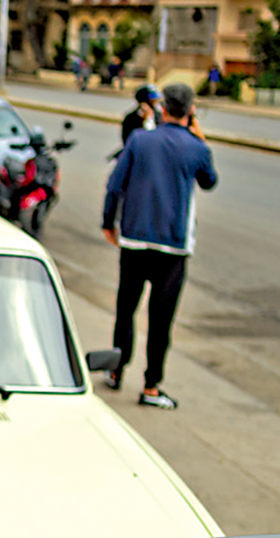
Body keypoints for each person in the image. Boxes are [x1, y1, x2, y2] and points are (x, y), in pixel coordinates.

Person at [102, 83, 218, 410]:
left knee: (126, 310)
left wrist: (108, 222)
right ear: (190, 110)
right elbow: (209, 181)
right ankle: (151, 387)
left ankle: (114, 371)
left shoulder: (139, 140)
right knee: (160, 320)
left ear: (162, 108)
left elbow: (115, 185)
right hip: (173, 248)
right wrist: (199, 136)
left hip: (134, 240)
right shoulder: (197, 148)